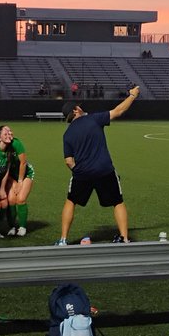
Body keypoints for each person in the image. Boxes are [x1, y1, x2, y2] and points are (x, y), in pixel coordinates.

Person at [58, 85, 140, 245]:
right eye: (79, 106)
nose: (81, 108)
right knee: (117, 201)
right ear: (75, 111)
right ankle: (124, 239)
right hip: (104, 170)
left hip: (82, 173)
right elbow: (118, 111)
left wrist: (79, 171)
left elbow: (68, 161)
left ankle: (63, 240)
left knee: (71, 201)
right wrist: (132, 96)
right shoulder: (93, 119)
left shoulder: (67, 134)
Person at [0, 125, 35, 237]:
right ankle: (12, 226)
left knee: (20, 199)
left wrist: (20, 181)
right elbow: (5, 169)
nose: (9, 133)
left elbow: (23, 163)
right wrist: (13, 181)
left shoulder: (16, 143)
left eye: (9, 130)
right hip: (11, 176)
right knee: (11, 199)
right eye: (5, 132)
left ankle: (22, 227)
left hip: (26, 174)